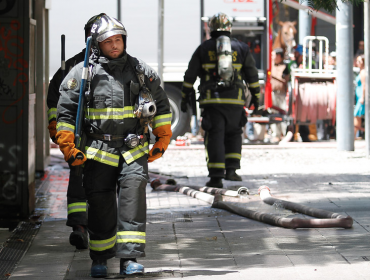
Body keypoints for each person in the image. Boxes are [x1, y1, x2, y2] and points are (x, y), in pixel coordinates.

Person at [56, 14, 172, 277]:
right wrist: (67, 146)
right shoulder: (82, 74)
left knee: (132, 204)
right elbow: (65, 113)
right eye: (109, 42)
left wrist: (162, 137)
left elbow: (162, 107)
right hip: (99, 152)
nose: (115, 45)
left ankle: (129, 259)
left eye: (118, 40)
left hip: (134, 150)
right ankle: (100, 258)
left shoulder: (141, 71)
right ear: (98, 45)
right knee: (100, 206)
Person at [180, 12, 260, 188]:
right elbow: (252, 75)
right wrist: (256, 97)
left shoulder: (203, 48)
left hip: (212, 102)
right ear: (229, 27)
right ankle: (231, 171)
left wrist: (185, 97)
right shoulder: (241, 48)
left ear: (210, 27)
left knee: (214, 136)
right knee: (234, 134)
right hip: (236, 102)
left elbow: (190, 75)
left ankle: (216, 177)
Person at [47, 14, 101, 250]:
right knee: (80, 178)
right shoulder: (71, 67)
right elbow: (54, 100)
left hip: (105, 137)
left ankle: (96, 227)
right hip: (79, 136)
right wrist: (55, 126)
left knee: (101, 182)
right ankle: (80, 227)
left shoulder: (118, 65)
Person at [270, 48, 288, 142]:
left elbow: (287, 79)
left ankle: (284, 134)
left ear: (279, 56)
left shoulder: (285, 66)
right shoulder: (270, 65)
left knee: (283, 113)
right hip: (272, 93)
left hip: (282, 93)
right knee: (274, 113)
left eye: (274, 55)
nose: (272, 57)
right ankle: (276, 134)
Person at [354, 54, 366, 139]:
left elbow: (364, 85)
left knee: (356, 115)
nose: (357, 63)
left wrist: (363, 97)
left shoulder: (363, 72)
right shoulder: (361, 71)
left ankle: (353, 135)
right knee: (358, 116)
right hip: (359, 97)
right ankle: (355, 135)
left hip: (361, 97)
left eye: (359, 61)